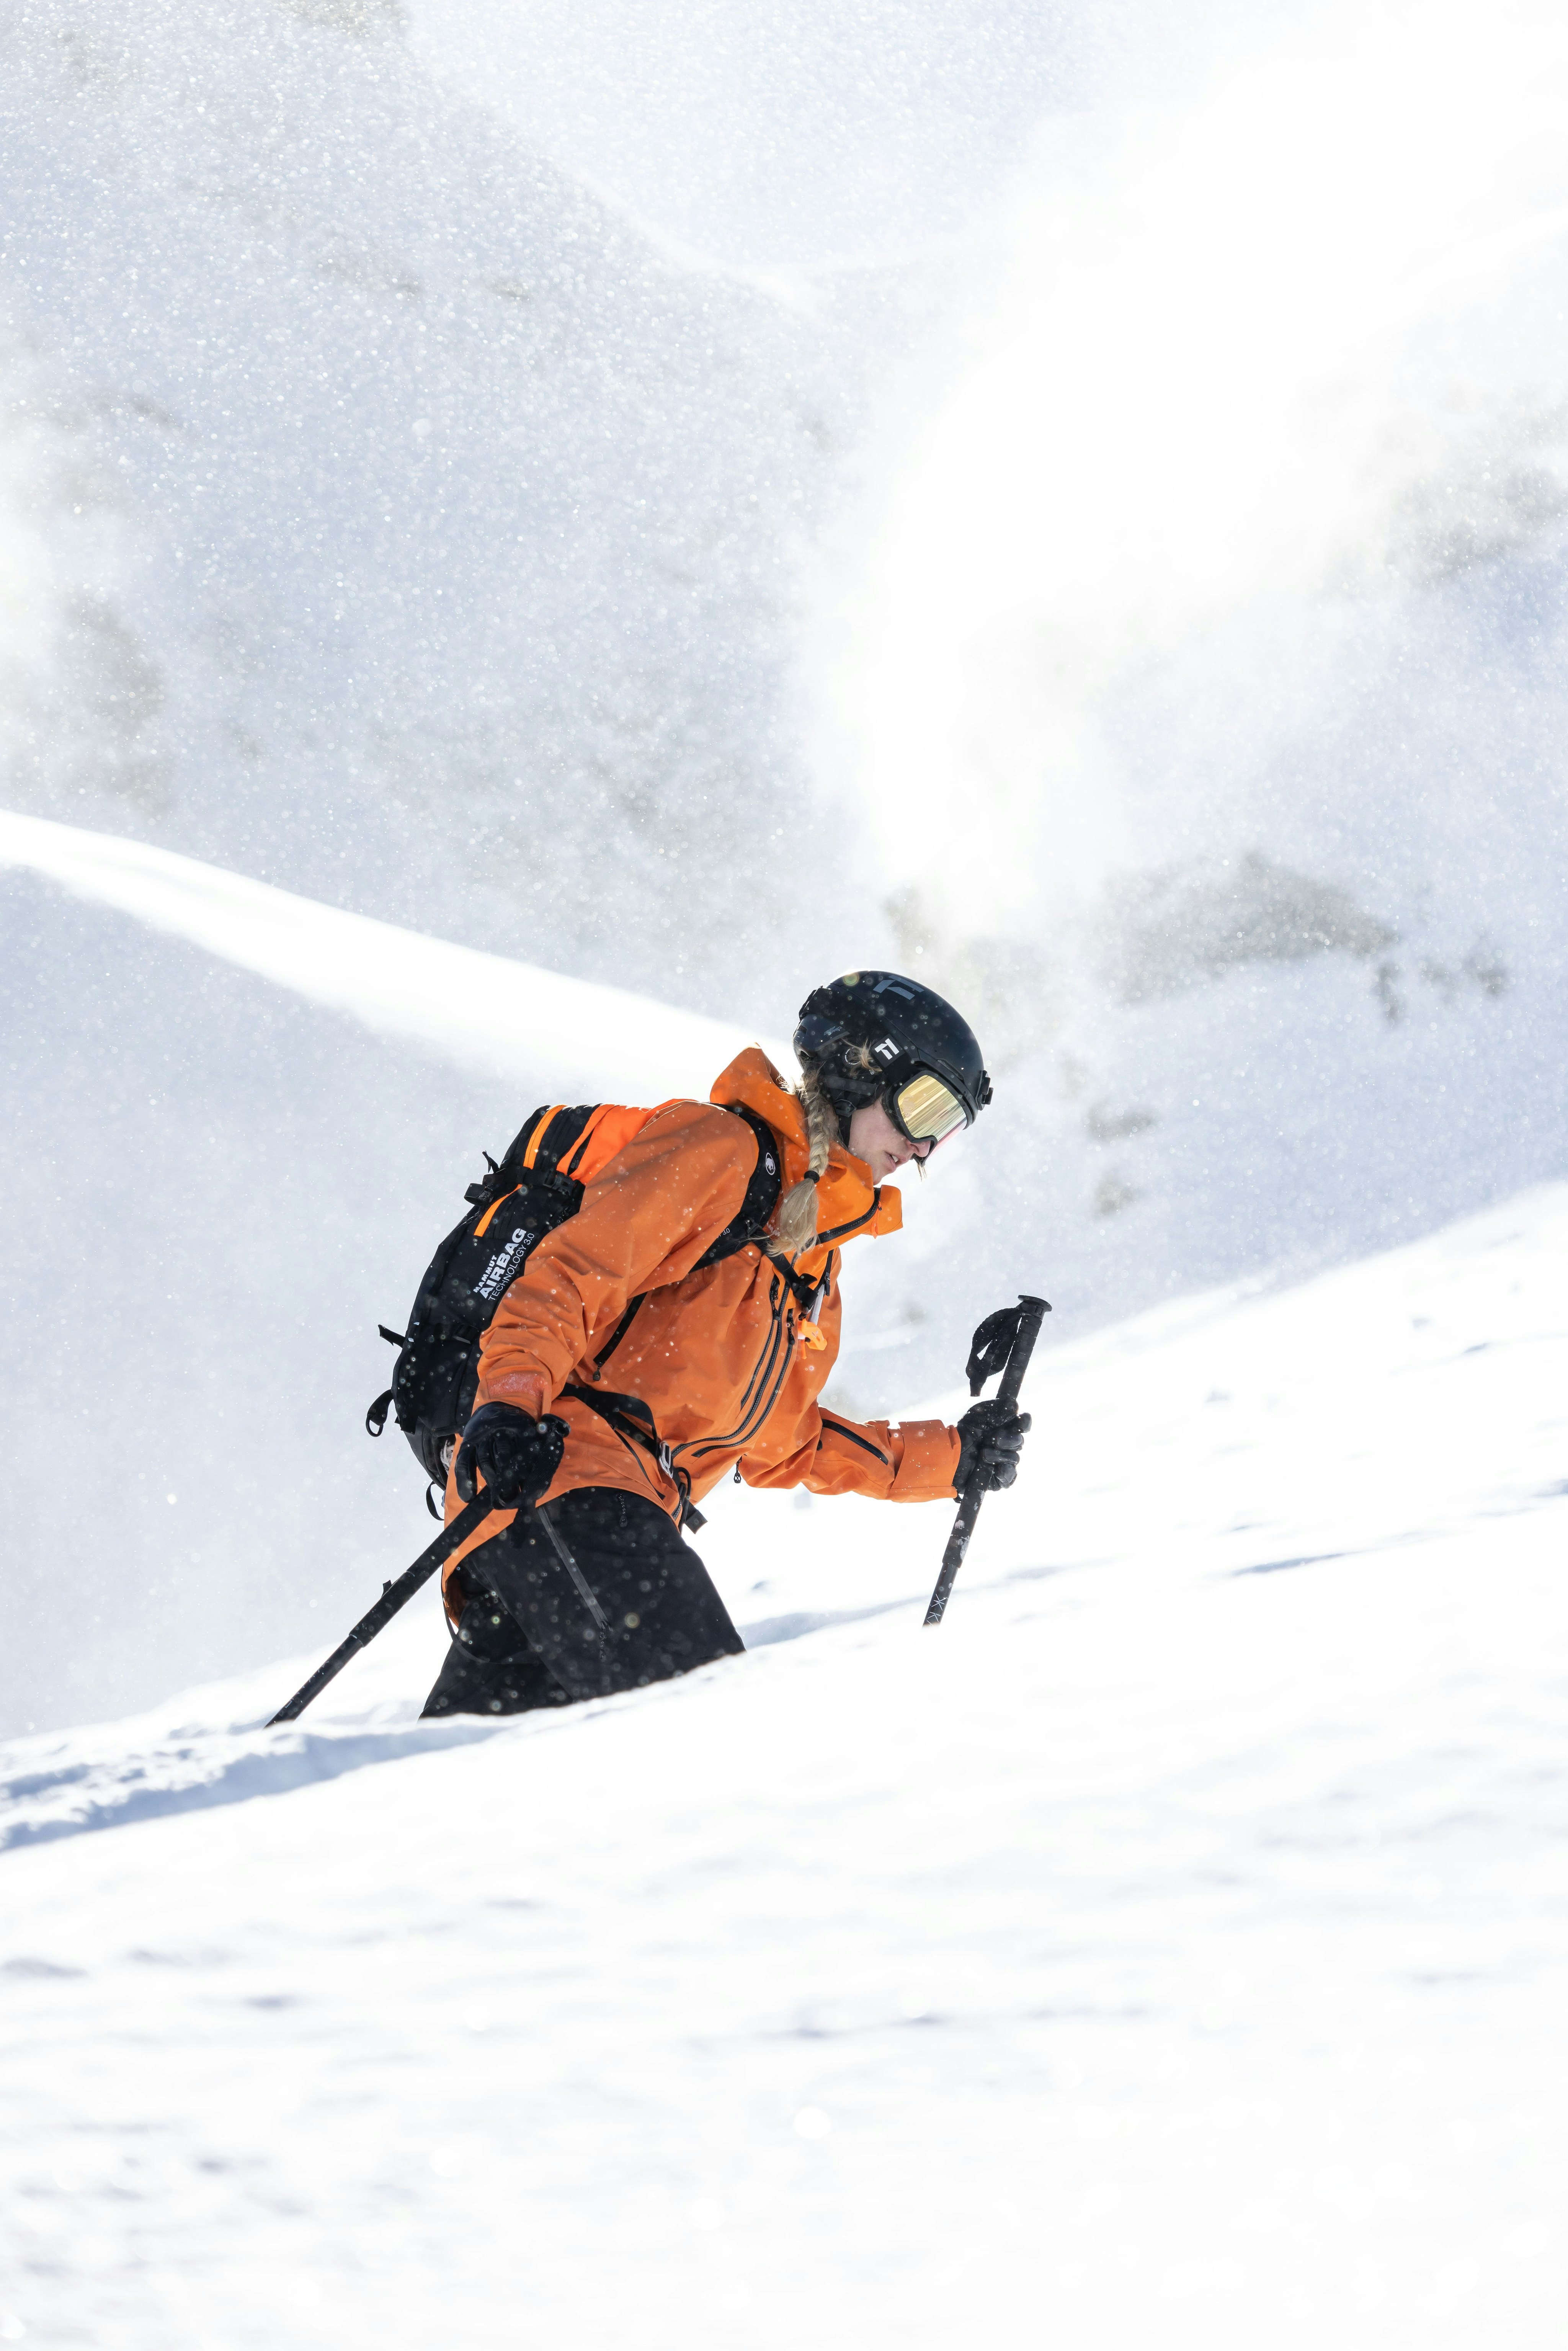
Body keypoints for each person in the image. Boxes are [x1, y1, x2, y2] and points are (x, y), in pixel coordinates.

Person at [421, 970, 1031, 1718]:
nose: (924, 1143)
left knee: (478, 1801)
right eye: (924, 1105)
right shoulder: (718, 1150)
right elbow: (569, 1278)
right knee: (706, 1734)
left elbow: (783, 1446)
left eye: (949, 1126)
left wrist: (950, 1457)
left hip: (597, 1523)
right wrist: (511, 1403)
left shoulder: (813, 1265)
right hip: (559, 1479)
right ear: (856, 1067)